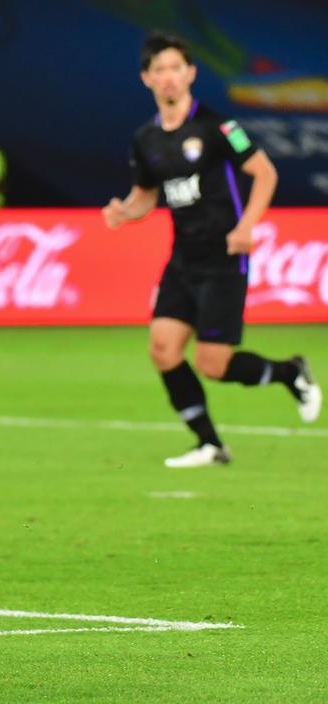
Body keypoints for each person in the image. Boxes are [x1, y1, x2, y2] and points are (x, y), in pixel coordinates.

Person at [102, 32, 321, 468]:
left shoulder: (220, 128)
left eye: (176, 68)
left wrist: (247, 226)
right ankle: (209, 444)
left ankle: (289, 373)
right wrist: (125, 211)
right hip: (182, 259)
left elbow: (265, 173)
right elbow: (146, 197)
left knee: (214, 364)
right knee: (163, 349)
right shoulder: (146, 139)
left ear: (191, 74)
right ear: (147, 78)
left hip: (224, 257)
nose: (168, 78)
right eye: (159, 70)